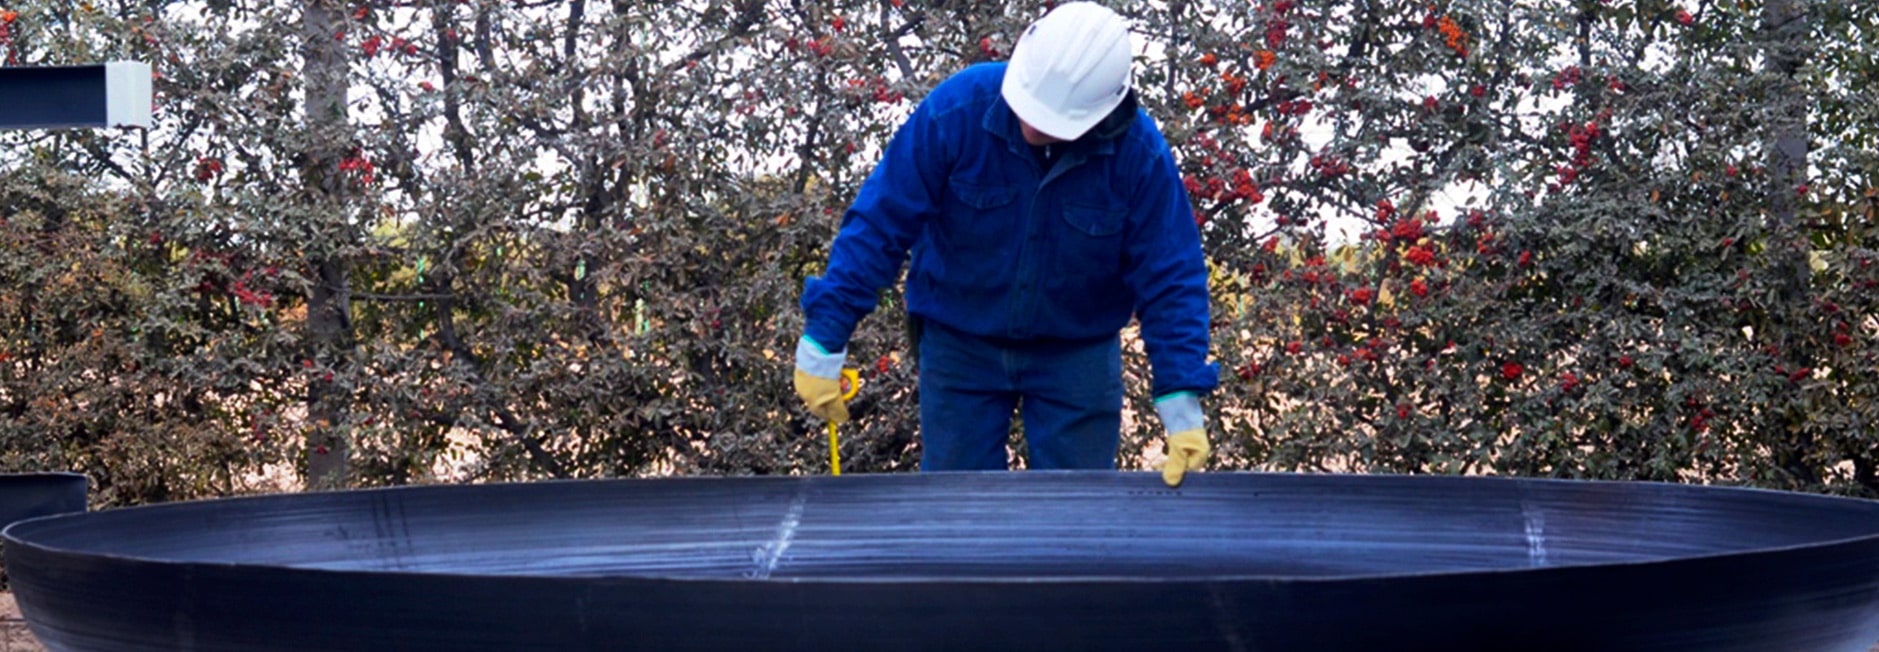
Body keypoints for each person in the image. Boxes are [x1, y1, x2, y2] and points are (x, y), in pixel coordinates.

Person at [793, 2, 1217, 486]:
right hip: (960, 343)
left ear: (1103, 112)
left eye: (1052, 120)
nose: (1033, 125)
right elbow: (879, 223)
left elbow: (1171, 274)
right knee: (955, 512)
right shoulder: (955, 112)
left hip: (1076, 353)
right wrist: (825, 337)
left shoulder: (1138, 155)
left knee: (1076, 516)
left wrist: (1181, 398)